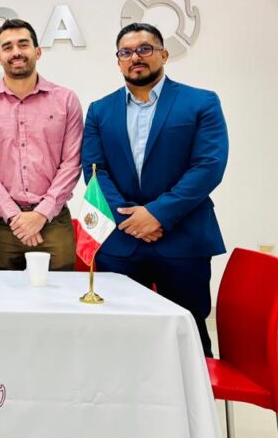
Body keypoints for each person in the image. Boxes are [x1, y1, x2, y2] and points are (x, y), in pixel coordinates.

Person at [81, 22, 228, 356]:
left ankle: (193, 393)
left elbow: (208, 166)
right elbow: (94, 170)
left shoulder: (201, 102)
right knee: (120, 340)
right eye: (126, 52)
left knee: (188, 336)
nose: (136, 57)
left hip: (183, 240)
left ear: (164, 54)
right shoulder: (100, 110)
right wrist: (129, 220)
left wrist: (157, 214)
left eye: (145, 49)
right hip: (121, 243)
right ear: (118, 61)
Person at [0, 19, 83, 271]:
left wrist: (41, 213)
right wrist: (14, 215)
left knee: (61, 292)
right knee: (1, 295)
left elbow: (72, 163)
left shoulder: (66, 100)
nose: (16, 52)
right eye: (7, 47)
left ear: (37, 51)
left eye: (23, 44)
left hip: (53, 221)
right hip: (1, 224)